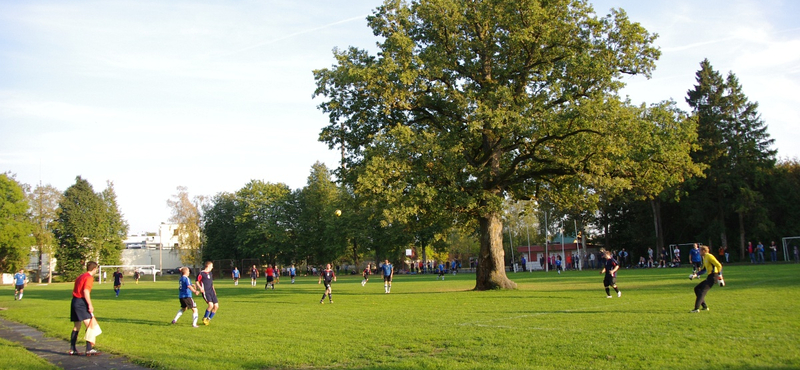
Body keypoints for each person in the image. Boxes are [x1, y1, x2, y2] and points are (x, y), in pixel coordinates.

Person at [69, 261, 100, 356]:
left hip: (74, 301)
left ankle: (72, 349)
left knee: (77, 326)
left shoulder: (80, 277)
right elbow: (86, 291)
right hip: (81, 302)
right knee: (89, 325)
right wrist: (90, 304)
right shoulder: (89, 278)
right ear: (94, 269)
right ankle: (89, 349)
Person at [689, 245, 724, 313]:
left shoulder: (709, 256)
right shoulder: (704, 258)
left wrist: (720, 275)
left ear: (704, 251)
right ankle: (704, 307)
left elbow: (719, 265)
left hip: (713, 276)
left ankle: (696, 309)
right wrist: (695, 275)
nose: (699, 252)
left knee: (702, 291)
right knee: (697, 289)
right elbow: (704, 270)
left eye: (700, 250)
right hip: (710, 276)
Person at [196, 261, 219, 326]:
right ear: (208, 266)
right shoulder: (201, 273)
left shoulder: (210, 273)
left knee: (216, 306)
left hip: (211, 291)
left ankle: (208, 319)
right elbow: (197, 281)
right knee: (211, 305)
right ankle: (204, 318)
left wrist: (214, 290)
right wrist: (200, 288)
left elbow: (211, 283)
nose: (212, 267)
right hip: (206, 292)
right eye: (211, 266)